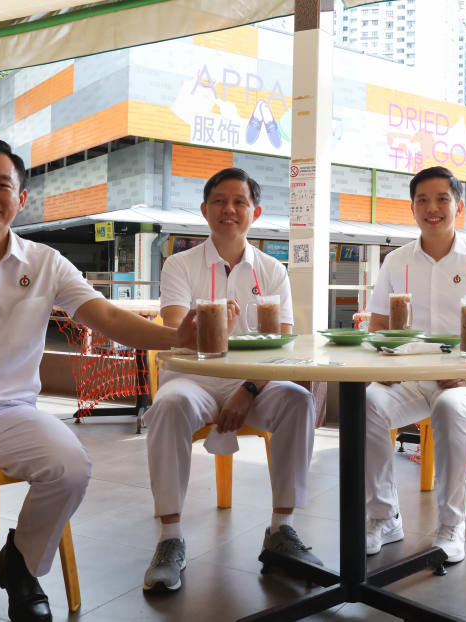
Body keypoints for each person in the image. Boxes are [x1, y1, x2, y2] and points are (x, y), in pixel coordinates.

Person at [0, 138, 197, 622]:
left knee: (69, 467)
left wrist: (174, 336)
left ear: (21, 199)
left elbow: (104, 314)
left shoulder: (44, 263)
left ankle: (20, 564)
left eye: (2, 185)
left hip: (9, 414)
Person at [142, 167, 320, 593]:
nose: (229, 209)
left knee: (298, 399)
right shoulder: (179, 264)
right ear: (205, 210)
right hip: (194, 378)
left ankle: (282, 529)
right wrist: (214, 313)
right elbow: (173, 327)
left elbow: (282, 345)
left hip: (252, 383)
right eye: (220, 201)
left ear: (254, 212)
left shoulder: (273, 271)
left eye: (240, 202)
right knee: (167, 405)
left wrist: (248, 389)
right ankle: (170, 538)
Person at [364, 166, 466, 564]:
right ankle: (383, 516)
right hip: (409, 379)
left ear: (458, 206)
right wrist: (387, 365)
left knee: (450, 407)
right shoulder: (396, 261)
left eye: (442, 199)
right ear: (411, 208)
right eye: (422, 200)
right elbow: (378, 324)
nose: (432, 208)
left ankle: (450, 526)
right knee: (368, 404)